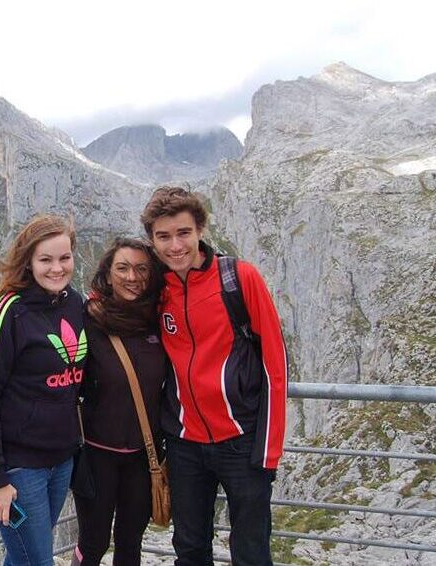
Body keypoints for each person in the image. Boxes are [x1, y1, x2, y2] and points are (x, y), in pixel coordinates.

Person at [141, 187, 288, 566]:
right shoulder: (156, 289)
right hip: (185, 443)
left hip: (243, 440)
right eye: (164, 236)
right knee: (189, 548)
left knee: (251, 551)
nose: (175, 246)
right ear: (152, 240)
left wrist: (268, 450)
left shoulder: (239, 278)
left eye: (183, 233)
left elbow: (275, 363)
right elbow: (110, 298)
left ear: (201, 229)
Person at [0, 214, 87, 566]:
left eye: (64, 258)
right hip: (20, 469)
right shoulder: (7, 311)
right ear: (28, 261)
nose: (56, 268)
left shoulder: (74, 303)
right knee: (37, 561)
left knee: (24, 557)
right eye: (45, 260)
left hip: (62, 461)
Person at [71, 237, 168, 566]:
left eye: (141, 269)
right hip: (97, 455)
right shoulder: (90, 320)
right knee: (94, 541)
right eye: (122, 268)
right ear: (108, 274)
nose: (132, 277)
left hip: (145, 457)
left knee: (130, 542)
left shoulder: (158, 319)